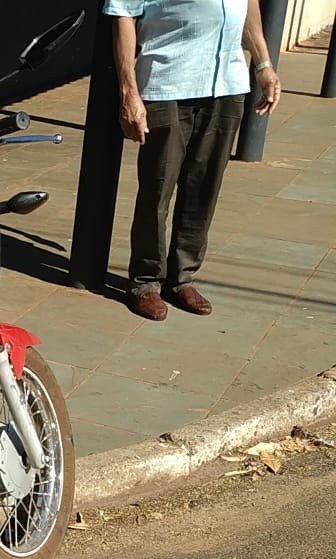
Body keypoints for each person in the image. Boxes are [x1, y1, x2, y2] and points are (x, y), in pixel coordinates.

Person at [105, 0, 282, 321]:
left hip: (227, 85)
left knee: (204, 188)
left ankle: (181, 278)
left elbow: (248, 4)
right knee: (157, 189)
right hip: (168, 82)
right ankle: (145, 281)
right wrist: (129, 92)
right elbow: (123, 14)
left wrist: (263, 65)